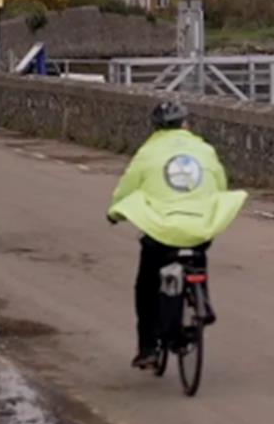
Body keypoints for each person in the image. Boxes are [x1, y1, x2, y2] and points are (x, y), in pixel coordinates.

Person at [106, 101, 247, 370]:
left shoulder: (147, 153)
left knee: (146, 285)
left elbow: (126, 189)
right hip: (199, 228)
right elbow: (219, 184)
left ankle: (148, 347)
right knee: (197, 253)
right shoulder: (204, 149)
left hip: (162, 231)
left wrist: (115, 213)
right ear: (185, 123)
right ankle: (201, 299)